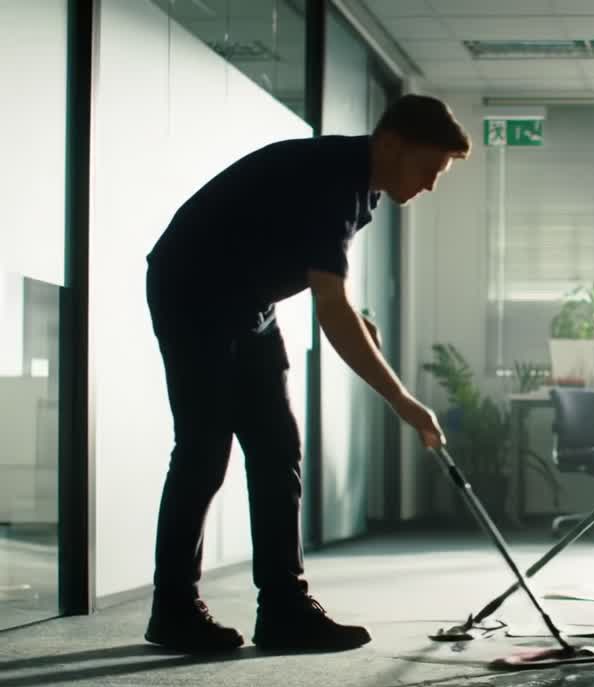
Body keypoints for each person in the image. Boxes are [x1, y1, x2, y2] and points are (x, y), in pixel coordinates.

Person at [143, 94, 465, 653]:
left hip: (248, 305)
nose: (432, 185)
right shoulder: (335, 182)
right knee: (203, 448)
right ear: (391, 143)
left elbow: (323, 281)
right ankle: (173, 608)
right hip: (192, 293)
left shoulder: (364, 188)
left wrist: (353, 319)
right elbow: (330, 310)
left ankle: (285, 611)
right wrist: (403, 400)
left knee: (276, 448)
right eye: (428, 169)